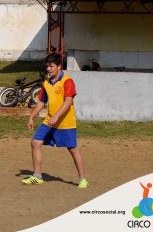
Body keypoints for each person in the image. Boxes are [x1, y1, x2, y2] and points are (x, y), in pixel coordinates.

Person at [21, 53, 89, 189]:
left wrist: (57, 116)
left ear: (59, 66)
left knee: (73, 149)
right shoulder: (46, 83)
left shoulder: (67, 81)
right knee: (35, 143)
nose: (48, 69)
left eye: (51, 66)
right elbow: (41, 101)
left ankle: (83, 179)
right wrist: (32, 116)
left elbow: (68, 101)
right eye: (47, 66)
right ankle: (37, 176)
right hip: (49, 121)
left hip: (65, 122)